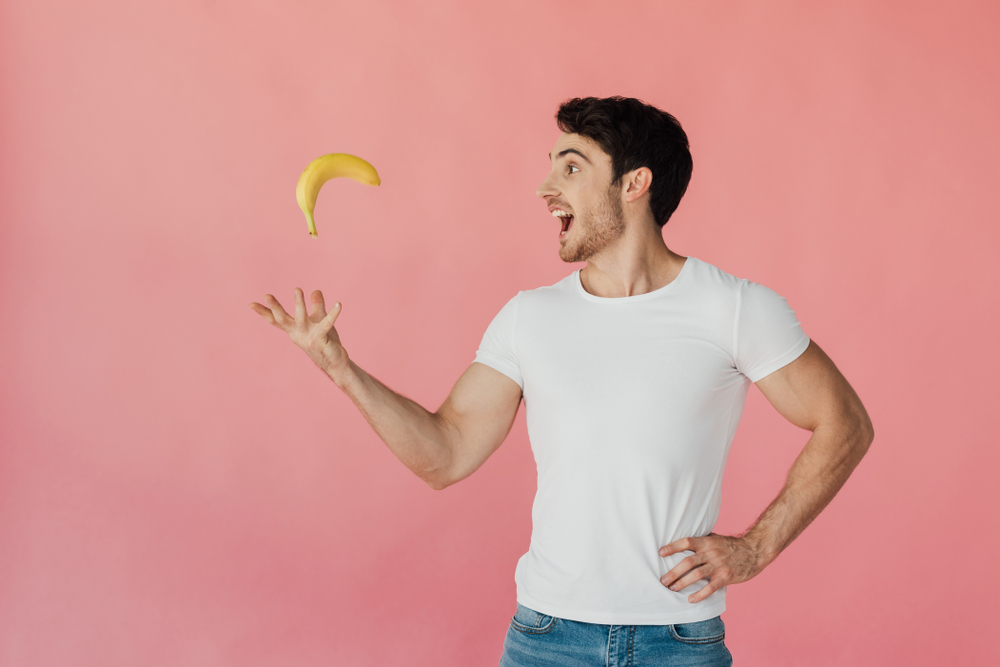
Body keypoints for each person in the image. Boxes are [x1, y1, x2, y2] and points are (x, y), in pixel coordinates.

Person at [250, 96, 874, 666]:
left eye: (571, 167)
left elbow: (845, 423)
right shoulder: (530, 318)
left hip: (680, 643)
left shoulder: (735, 308)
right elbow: (445, 455)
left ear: (634, 184)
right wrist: (342, 370)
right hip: (549, 641)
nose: (546, 187)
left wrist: (756, 548)